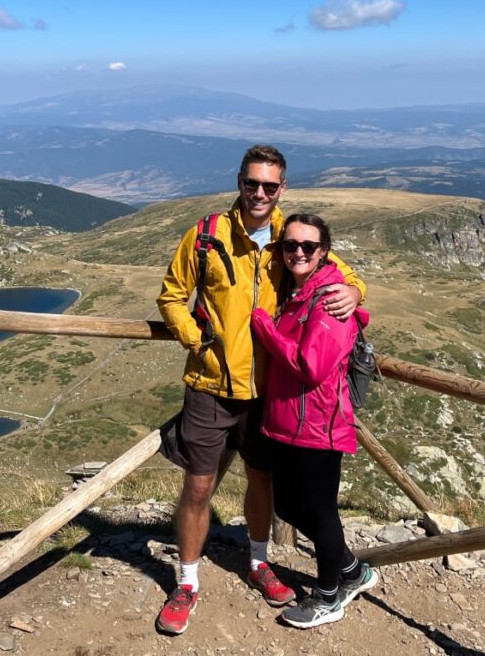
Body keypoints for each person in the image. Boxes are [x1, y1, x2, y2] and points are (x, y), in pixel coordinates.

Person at [155, 145, 366, 635]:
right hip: (211, 384)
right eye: (252, 183)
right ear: (239, 182)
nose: (260, 193)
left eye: (270, 186)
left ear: (282, 189)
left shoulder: (291, 240)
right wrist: (196, 338)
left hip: (268, 391)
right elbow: (171, 295)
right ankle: (186, 583)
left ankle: (258, 562)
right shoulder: (206, 236)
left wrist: (357, 291)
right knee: (199, 486)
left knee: (262, 482)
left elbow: (339, 274)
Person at [250, 213, 378, 629]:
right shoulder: (297, 290)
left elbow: (312, 364)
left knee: (322, 513)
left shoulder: (329, 299)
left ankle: (328, 598)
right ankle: (352, 571)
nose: (299, 252)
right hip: (290, 422)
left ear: (325, 251)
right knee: (287, 504)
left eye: (309, 246)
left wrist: (265, 329)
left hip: (318, 425)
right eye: (291, 246)